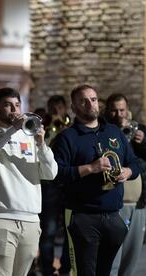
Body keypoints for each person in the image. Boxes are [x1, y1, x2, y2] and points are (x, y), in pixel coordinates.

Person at [51, 84, 140, 276]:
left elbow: (135, 162)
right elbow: (56, 176)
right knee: (85, 273)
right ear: (74, 108)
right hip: (83, 216)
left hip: (113, 214)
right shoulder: (67, 137)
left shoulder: (114, 132)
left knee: (105, 273)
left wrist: (127, 171)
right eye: (83, 101)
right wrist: (90, 168)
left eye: (93, 99)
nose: (90, 104)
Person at [0, 87, 58, 276]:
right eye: (8, 106)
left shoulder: (30, 135)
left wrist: (41, 144)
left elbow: (51, 173)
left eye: (17, 105)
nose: (15, 111)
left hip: (31, 219)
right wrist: (12, 130)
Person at [105, 93, 146, 276]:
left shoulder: (140, 130)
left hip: (138, 204)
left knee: (132, 256)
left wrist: (143, 143)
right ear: (107, 111)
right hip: (113, 203)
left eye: (122, 110)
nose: (119, 114)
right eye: (114, 110)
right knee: (111, 257)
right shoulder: (103, 130)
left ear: (127, 110)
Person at [38, 95, 71, 276]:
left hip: (67, 185)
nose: (55, 111)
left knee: (68, 229)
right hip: (49, 185)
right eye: (52, 107)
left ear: (65, 108)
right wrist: (51, 128)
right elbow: (43, 150)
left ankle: (66, 267)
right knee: (48, 230)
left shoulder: (71, 127)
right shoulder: (44, 128)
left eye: (58, 107)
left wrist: (64, 128)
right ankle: (47, 269)